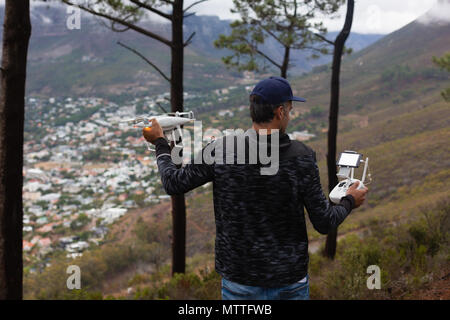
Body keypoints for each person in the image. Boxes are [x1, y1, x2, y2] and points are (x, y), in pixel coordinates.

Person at [143, 76, 368, 300]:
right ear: (280, 112)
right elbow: (324, 222)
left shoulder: (221, 150)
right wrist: (349, 200)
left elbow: (173, 182)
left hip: (239, 280)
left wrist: (161, 143)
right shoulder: (302, 157)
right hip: (289, 281)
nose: (289, 115)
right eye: (290, 109)